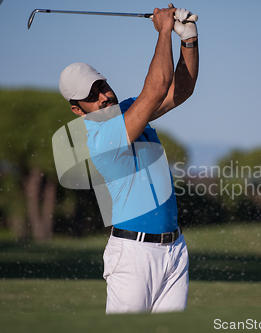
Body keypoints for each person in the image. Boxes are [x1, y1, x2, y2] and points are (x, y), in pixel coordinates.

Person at [58, 5, 199, 313]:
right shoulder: (101, 137)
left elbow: (181, 89)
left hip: (174, 249)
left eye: (102, 86)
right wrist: (164, 31)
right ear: (78, 110)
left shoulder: (131, 112)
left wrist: (188, 38)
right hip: (134, 255)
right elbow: (157, 88)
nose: (103, 96)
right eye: (91, 96)